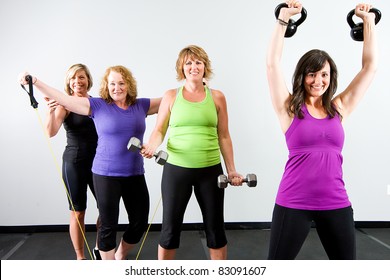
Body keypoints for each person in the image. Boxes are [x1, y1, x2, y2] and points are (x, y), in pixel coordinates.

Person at [266, 1, 377, 259]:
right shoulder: (289, 108)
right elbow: (272, 64)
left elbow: (370, 67)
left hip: (335, 202)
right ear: (302, 76)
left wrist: (368, 22)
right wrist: (283, 18)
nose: (318, 81)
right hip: (293, 202)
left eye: (324, 75)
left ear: (331, 77)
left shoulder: (339, 108)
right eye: (312, 74)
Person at [19, 65, 161, 260]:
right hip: (88, 166)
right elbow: (60, 106)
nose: (117, 87)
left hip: (123, 168)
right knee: (89, 216)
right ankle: (84, 258)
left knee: (128, 220)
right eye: (112, 83)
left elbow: (170, 101)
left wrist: (196, 85)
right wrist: (34, 81)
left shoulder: (128, 104)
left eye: (121, 83)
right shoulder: (88, 105)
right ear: (106, 85)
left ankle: (111, 252)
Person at [141, 45, 243, 260]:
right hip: (176, 170)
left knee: (215, 228)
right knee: (170, 228)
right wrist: (152, 145)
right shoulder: (170, 96)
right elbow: (159, 129)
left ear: (205, 66)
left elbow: (224, 135)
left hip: (210, 170)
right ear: (182, 68)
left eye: (198, 62)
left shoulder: (217, 97)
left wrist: (231, 170)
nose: (193, 67)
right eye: (188, 62)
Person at [44, 63, 100, 260]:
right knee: (78, 212)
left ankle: (100, 249)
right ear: (69, 82)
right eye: (74, 78)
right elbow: (51, 132)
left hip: (99, 162)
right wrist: (51, 112)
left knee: (106, 209)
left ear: (88, 80)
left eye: (82, 77)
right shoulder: (65, 104)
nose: (78, 81)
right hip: (74, 162)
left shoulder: (97, 103)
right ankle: (80, 257)